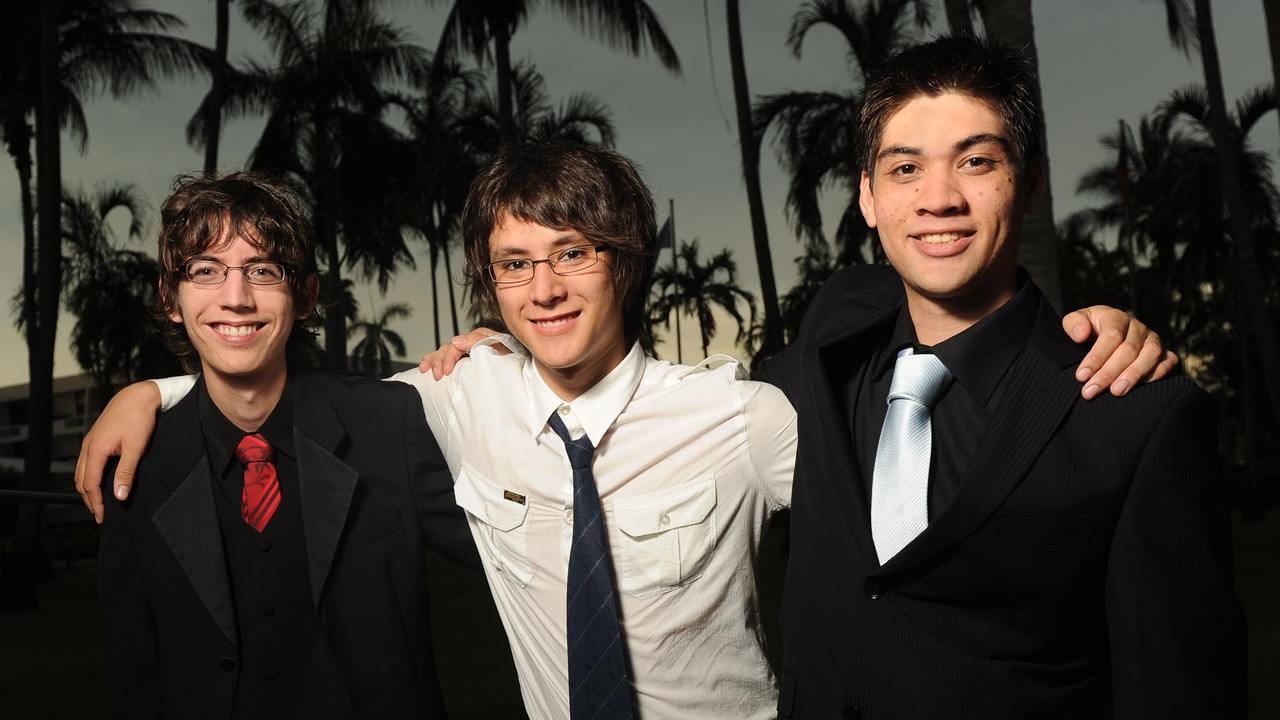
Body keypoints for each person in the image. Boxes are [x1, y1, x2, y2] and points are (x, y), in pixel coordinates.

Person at [80, 145, 1169, 719]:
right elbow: (275, 389)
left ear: (626, 264)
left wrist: (1058, 340)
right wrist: (152, 393)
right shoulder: (452, 400)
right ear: (487, 288)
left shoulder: (748, 417)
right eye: (513, 264)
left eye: (574, 253)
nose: (543, 288)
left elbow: (940, 458)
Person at [750, 37, 1246, 719]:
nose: (938, 199)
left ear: (1031, 181)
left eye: (976, 161)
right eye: (904, 169)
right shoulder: (834, 326)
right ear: (868, 196)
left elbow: (1178, 691)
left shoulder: (1134, 412)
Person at [96, 173, 478, 719]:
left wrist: (508, 360)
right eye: (205, 270)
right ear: (171, 299)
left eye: (263, 270)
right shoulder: (133, 464)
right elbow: (135, 675)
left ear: (305, 295)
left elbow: (521, 560)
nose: (236, 298)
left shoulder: (390, 423)